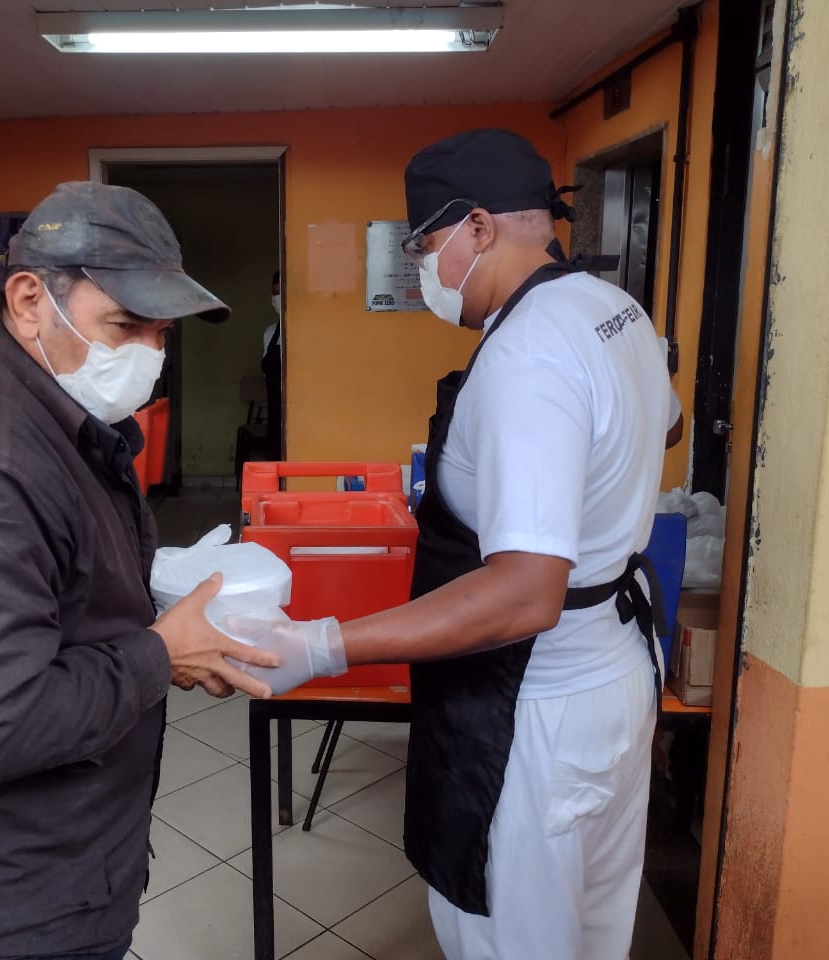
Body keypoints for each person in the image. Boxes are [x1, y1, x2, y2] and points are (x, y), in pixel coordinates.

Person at [233, 130, 672, 959]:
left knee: (515, 940)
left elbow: (522, 594)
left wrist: (324, 645)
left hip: (533, 708)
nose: (425, 271)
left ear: (477, 228)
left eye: (427, 246)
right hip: (614, 672)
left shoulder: (527, 354)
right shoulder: (614, 311)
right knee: (592, 934)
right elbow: (668, 422)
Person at [0, 181, 280, 960]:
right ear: (29, 299)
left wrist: (151, 611)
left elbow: (49, 590)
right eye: (125, 324)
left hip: (42, 863)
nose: (149, 353)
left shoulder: (41, 409)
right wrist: (157, 653)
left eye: (161, 332)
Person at [261, 270, 283, 461]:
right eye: (274, 293)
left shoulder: (306, 333)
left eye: (281, 292)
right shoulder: (269, 334)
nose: (277, 297)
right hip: (275, 412)